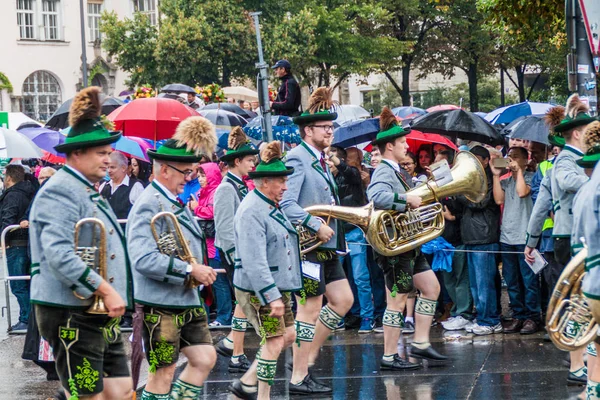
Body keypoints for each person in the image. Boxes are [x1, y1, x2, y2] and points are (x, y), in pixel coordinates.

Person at [29, 86, 133, 399]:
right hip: (71, 309)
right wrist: (106, 289)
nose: (108, 160)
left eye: (108, 153)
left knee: (121, 391)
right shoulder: (61, 190)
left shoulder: (85, 188)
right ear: (76, 154)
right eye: (101, 153)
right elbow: (60, 255)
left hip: (95, 309)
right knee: (90, 395)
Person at [127, 116, 218, 399]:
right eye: (185, 172)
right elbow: (143, 259)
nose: (189, 177)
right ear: (165, 170)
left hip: (184, 300)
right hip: (160, 304)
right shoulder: (148, 204)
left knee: (204, 358)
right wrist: (190, 269)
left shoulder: (170, 200)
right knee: (163, 372)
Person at [281, 87, 353, 394]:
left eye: (332, 127)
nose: (331, 131)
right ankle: (298, 375)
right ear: (307, 130)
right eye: (325, 127)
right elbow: (286, 204)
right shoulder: (297, 159)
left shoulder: (320, 160)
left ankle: (305, 357)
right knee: (308, 311)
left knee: (343, 301)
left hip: (326, 248)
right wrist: (313, 223)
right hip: (308, 249)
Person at [366, 107, 447, 371]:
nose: (406, 146)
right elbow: (377, 197)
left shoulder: (398, 170)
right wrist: (405, 199)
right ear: (389, 146)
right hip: (395, 250)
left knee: (431, 288)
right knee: (398, 298)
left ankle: (420, 342)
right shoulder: (384, 171)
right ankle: (390, 355)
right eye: (401, 142)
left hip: (408, 246)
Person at [229, 142, 301, 400]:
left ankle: (246, 382)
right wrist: (271, 296)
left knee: (289, 335)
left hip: (276, 286)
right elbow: (253, 260)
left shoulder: (267, 202)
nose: (285, 187)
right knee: (273, 341)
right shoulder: (251, 210)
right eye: (281, 181)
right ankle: (263, 397)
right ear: (265, 182)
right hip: (261, 290)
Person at [548, 96, 595, 385]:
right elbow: (566, 182)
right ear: (577, 132)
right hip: (571, 237)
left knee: (586, 301)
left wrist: (530, 238)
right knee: (580, 301)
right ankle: (578, 364)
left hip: (577, 235)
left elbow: (543, 199)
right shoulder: (566, 158)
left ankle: (585, 359)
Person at [213, 127, 259, 374]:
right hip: (234, 254)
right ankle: (235, 354)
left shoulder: (239, 185)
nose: (253, 164)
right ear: (237, 161)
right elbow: (224, 228)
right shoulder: (225, 189)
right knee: (242, 302)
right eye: (250, 160)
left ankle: (232, 345)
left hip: (241, 253)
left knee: (244, 303)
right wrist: (236, 257)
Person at [491, 146, 539, 334]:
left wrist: (519, 171)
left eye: (516, 157)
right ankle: (518, 315)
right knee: (511, 280)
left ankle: (532, 317)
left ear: (526, 160)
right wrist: (496, 175)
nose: (511, 160)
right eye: (509, 157)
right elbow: (498, 200)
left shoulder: (530, 178)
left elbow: (522, 192)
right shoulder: (506, 181)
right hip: (507, 237)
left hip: (525, 237)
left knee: (529, 280)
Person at [458, 145, 503, 336]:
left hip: (484, 236)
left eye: (477, 159)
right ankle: (482, 317)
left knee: (485, 283)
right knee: (476, 284)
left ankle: (490, 320)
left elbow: (479, 202)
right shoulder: (471, 180)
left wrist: (459, 191)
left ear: (485, 161)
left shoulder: (489, 179)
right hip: (471, 236)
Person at [329, 146, 375, 334]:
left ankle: (367, 317)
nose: (327, 164)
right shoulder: (327, 178)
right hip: (337, 233)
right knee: (337, 279)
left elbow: (352, 174)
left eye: (330, 161)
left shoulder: (351, 173)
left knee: (360, 277)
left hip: (355, 231)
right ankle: (341, 316)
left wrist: (335, 161)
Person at [571, 121, 600, 398]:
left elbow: (577, 241)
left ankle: (591, 393)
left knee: (598, 346)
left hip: (592, 284)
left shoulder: (583, 192)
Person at [194, 162, 230, 327]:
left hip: (215, 246)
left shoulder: (216, 192)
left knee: (219, 282)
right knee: (208, 283)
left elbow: (213, 212)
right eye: (199, 176)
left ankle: (224, 317)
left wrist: (196, 208)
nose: (201, 179)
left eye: (204, 175)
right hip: (205, 245)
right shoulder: (202, 192)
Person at [0, 164, 36, 332]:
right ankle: (29, 318)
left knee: (17, 284)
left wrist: (3, 239)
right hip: (27, 244)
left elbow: (8, 217)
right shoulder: (30, 191)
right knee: (25, 283)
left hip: (15, 244)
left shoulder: (13, 195)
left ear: (9, 177)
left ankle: (26, 319)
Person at [99, 151, 145, 220]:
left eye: (112, 167)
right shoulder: (103, 186)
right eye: (107, 167)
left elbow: (142, 215)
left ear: (123, 168)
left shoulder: (136, 187)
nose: (109, 170)